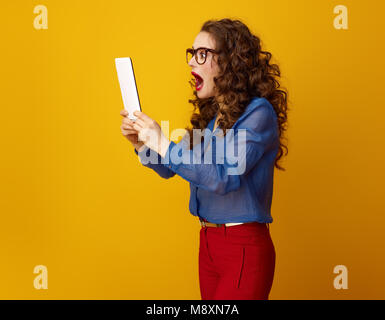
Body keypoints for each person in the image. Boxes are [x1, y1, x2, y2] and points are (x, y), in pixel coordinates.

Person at [119, 18, 289, 300]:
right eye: (192, 53)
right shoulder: (211, 118)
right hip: (208, 245)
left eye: (202, 54)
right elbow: (174, 168)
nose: (191, 63)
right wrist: (143, 145)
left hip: (242, 246)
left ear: (231, 62)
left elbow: (223, 178)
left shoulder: (259, 114)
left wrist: (162, 141)